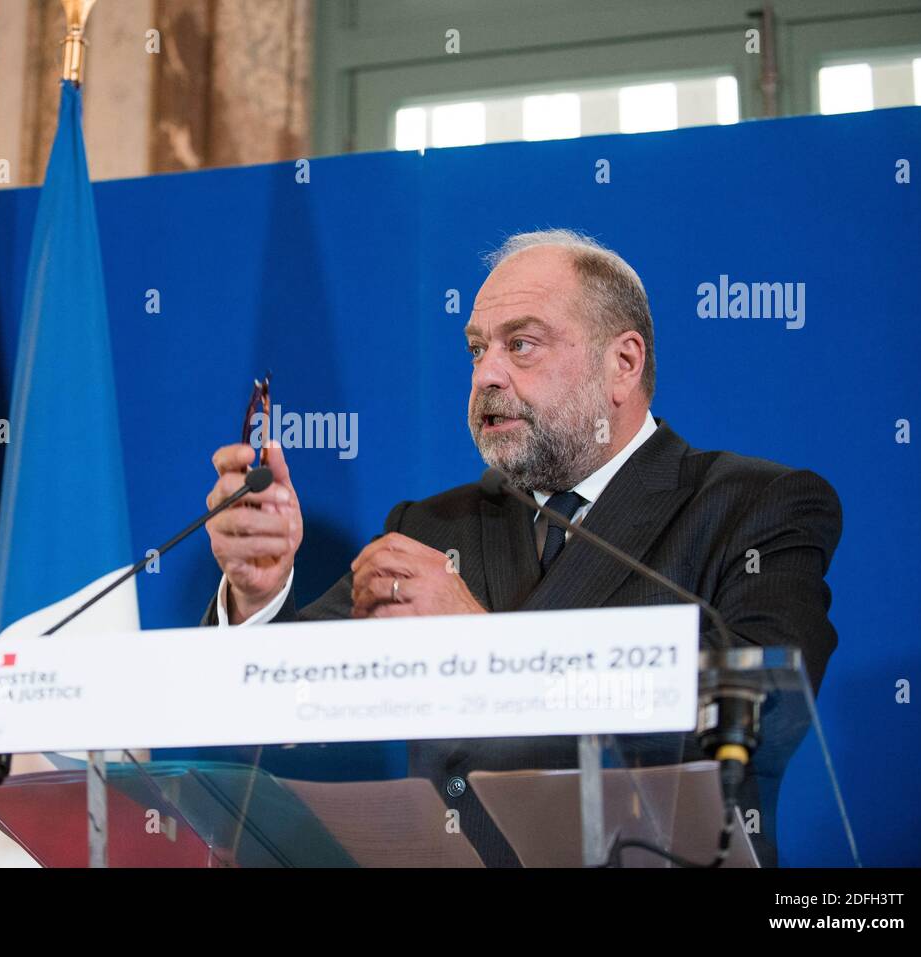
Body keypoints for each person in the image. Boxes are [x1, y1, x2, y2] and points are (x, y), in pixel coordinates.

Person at [201, 229, 842, 866]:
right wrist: (257, 593)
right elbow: (291, 693)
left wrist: (484, 649)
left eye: (521, 345)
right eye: (477, 350)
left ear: (623, 364)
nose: (487, 375)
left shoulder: (756, 506)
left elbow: (760, 711)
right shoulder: (429, 527)